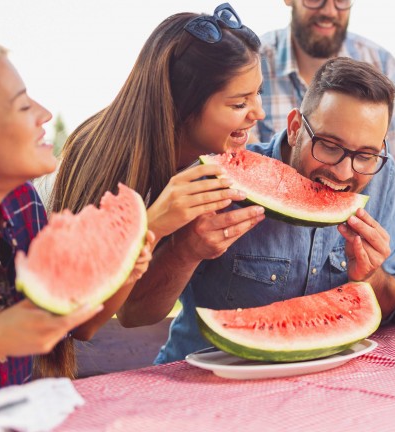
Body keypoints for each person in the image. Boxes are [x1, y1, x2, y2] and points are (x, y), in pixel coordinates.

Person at [119, 57, 395, 363]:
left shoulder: (380, 180)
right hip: (204, 380)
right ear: (296, 128)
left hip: (316, 390)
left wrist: (371, 276)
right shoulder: (218, 176)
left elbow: (389, 307)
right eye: (329, 146)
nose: (345, 172)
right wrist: (186, 250)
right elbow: (134, 313)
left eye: (365, 155)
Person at [52, 4, 266, 351]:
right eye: (239, 103)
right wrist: (151, 225)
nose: (259, 112)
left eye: (257, 92)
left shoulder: (205, 160)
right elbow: (80, 322)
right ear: (183, 105)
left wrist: (184, 249)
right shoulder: (98, 152)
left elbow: (139, 312)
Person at [0, 38, 152, 397]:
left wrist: (123, 269)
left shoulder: (23, 204)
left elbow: (68, 323)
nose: (45, 114)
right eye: (22, 106)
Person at [256, 0, 395, 219]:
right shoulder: (253, 64)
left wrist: (386, 249)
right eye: (328, 145)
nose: (329, 11)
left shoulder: (382, 63)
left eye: (342, 0)